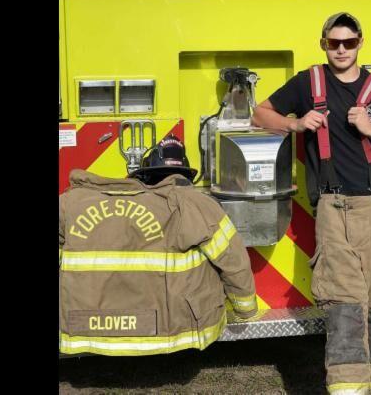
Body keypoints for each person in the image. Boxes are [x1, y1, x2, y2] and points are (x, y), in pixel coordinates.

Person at [251, 12, 371, 395]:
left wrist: (370, 128)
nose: (341, 49)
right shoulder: (308, 84)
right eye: (333, 43)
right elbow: (260, 113)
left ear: (360, 43)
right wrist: (296, 124)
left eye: (348, 42)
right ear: (323, 43)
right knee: (344, 306)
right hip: (336, 211)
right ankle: (347, 390)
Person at [58, 135, 258, 355]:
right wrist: (244, 309)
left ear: (144, 175)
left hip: (86, 325)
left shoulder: (71, 203)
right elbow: (233, 260)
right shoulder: (198, 204)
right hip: (174, 329)